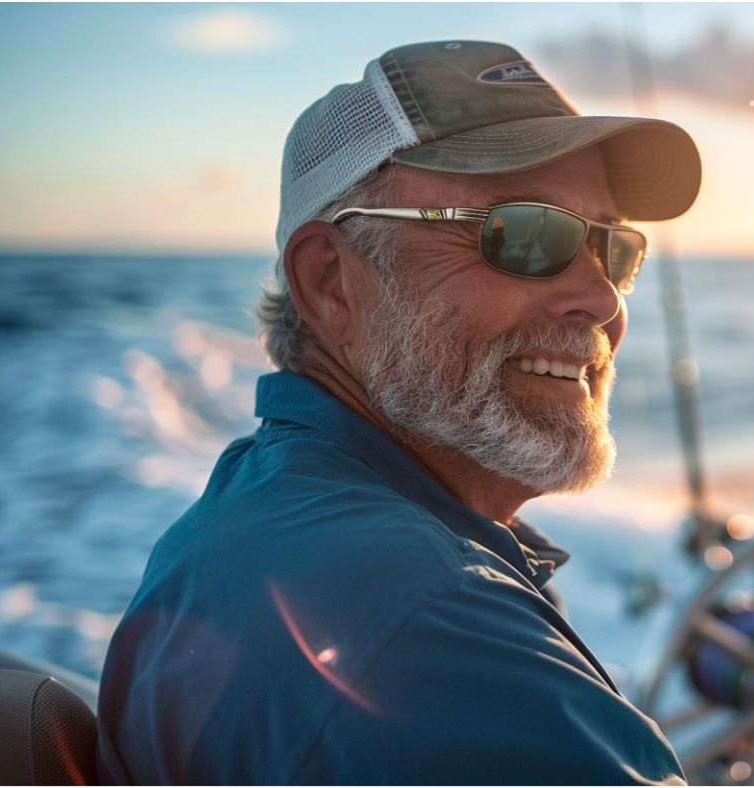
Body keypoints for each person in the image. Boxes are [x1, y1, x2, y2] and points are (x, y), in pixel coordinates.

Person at [95, 40, 701, 785]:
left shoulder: (252, 502)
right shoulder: (428, 617)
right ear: (330, 282)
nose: (602, 299)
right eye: (523, 234)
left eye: (613, 250)